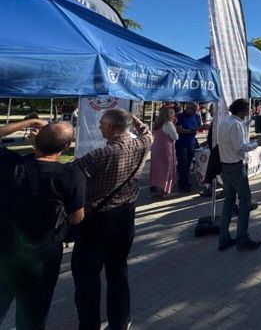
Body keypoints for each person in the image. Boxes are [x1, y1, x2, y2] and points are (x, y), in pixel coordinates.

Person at [72, 109, 152, 330]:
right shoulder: (143, 144)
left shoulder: (99, 156)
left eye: (102, 124)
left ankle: (89, 325)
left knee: (87, 276)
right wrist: (131, 117)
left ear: (111, 128)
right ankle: (120, 321)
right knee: (117, 271)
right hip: (126, 217)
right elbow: (147, 132)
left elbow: (73, 174)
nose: (99, 127)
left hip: (98, 220)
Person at [0, 123, 85, 330]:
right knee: (34, 312)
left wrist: (29, 122)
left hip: (6, 246)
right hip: (44, 252)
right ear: (66, 147)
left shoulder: (10, 163)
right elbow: (77, 217)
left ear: (35, 140)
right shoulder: (70, 174)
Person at [217, 99, 261, 251]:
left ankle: (224, 238)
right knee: (245, 201)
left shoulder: (225, 122)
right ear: (241, 110)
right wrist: (256, 144)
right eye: (247, 109)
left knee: (229, 202)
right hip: (235, 167)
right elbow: (239, 147)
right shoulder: (236, 124)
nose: (248, 112)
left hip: (225, 166)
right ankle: (242, 238)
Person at [149, 107, 178, 198]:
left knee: (157, 169)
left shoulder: (157, 124)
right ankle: (165, 191)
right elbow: (175, 137)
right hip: (165, 149)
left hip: (156, 148)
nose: (174, 115)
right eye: (172, 113)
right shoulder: (168, 124)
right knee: (166, 169)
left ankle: (158, 190)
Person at [175, 102, 201, 192]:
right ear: (187, 108)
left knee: (188, 163)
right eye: (193, 110)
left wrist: (203, 127)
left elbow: (198, 127)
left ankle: (184, 180)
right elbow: (179, 130)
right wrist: (191, 130)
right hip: (181, 143)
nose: (194, 112)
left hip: (191, 143)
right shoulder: (180, 116)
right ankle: (184, 184)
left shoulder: (196, 116)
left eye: (196, 110)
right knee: (183, 163)